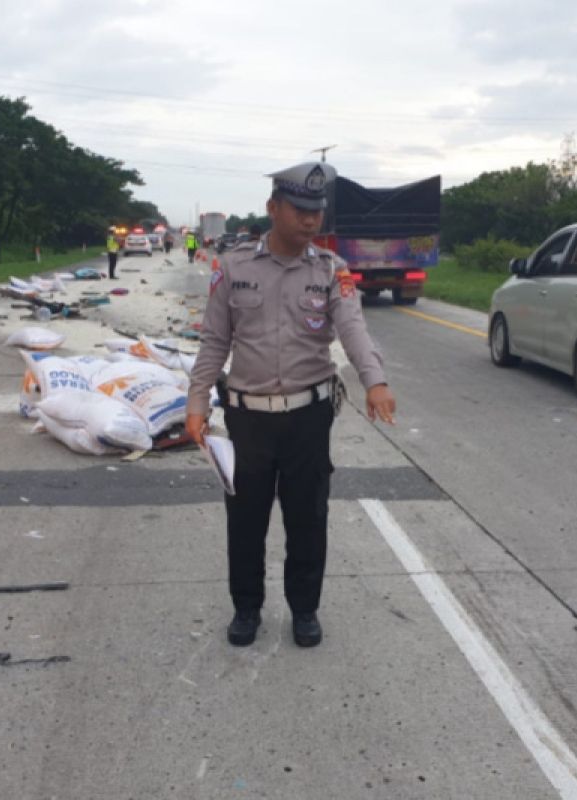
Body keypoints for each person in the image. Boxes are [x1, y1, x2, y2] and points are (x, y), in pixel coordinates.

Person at [185, 162, 396, 649]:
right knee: (245, 520)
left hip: (308, 415)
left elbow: (353, 330)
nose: (309, 221)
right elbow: (215, 341)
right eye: (300, 210)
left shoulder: (331, 271)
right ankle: (246, 608)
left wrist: (375, 380)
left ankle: (304, 610)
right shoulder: (233, 268)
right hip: (247, 418)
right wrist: (197, 402)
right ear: (273, 208)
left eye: (316, 212)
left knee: (307, 518)